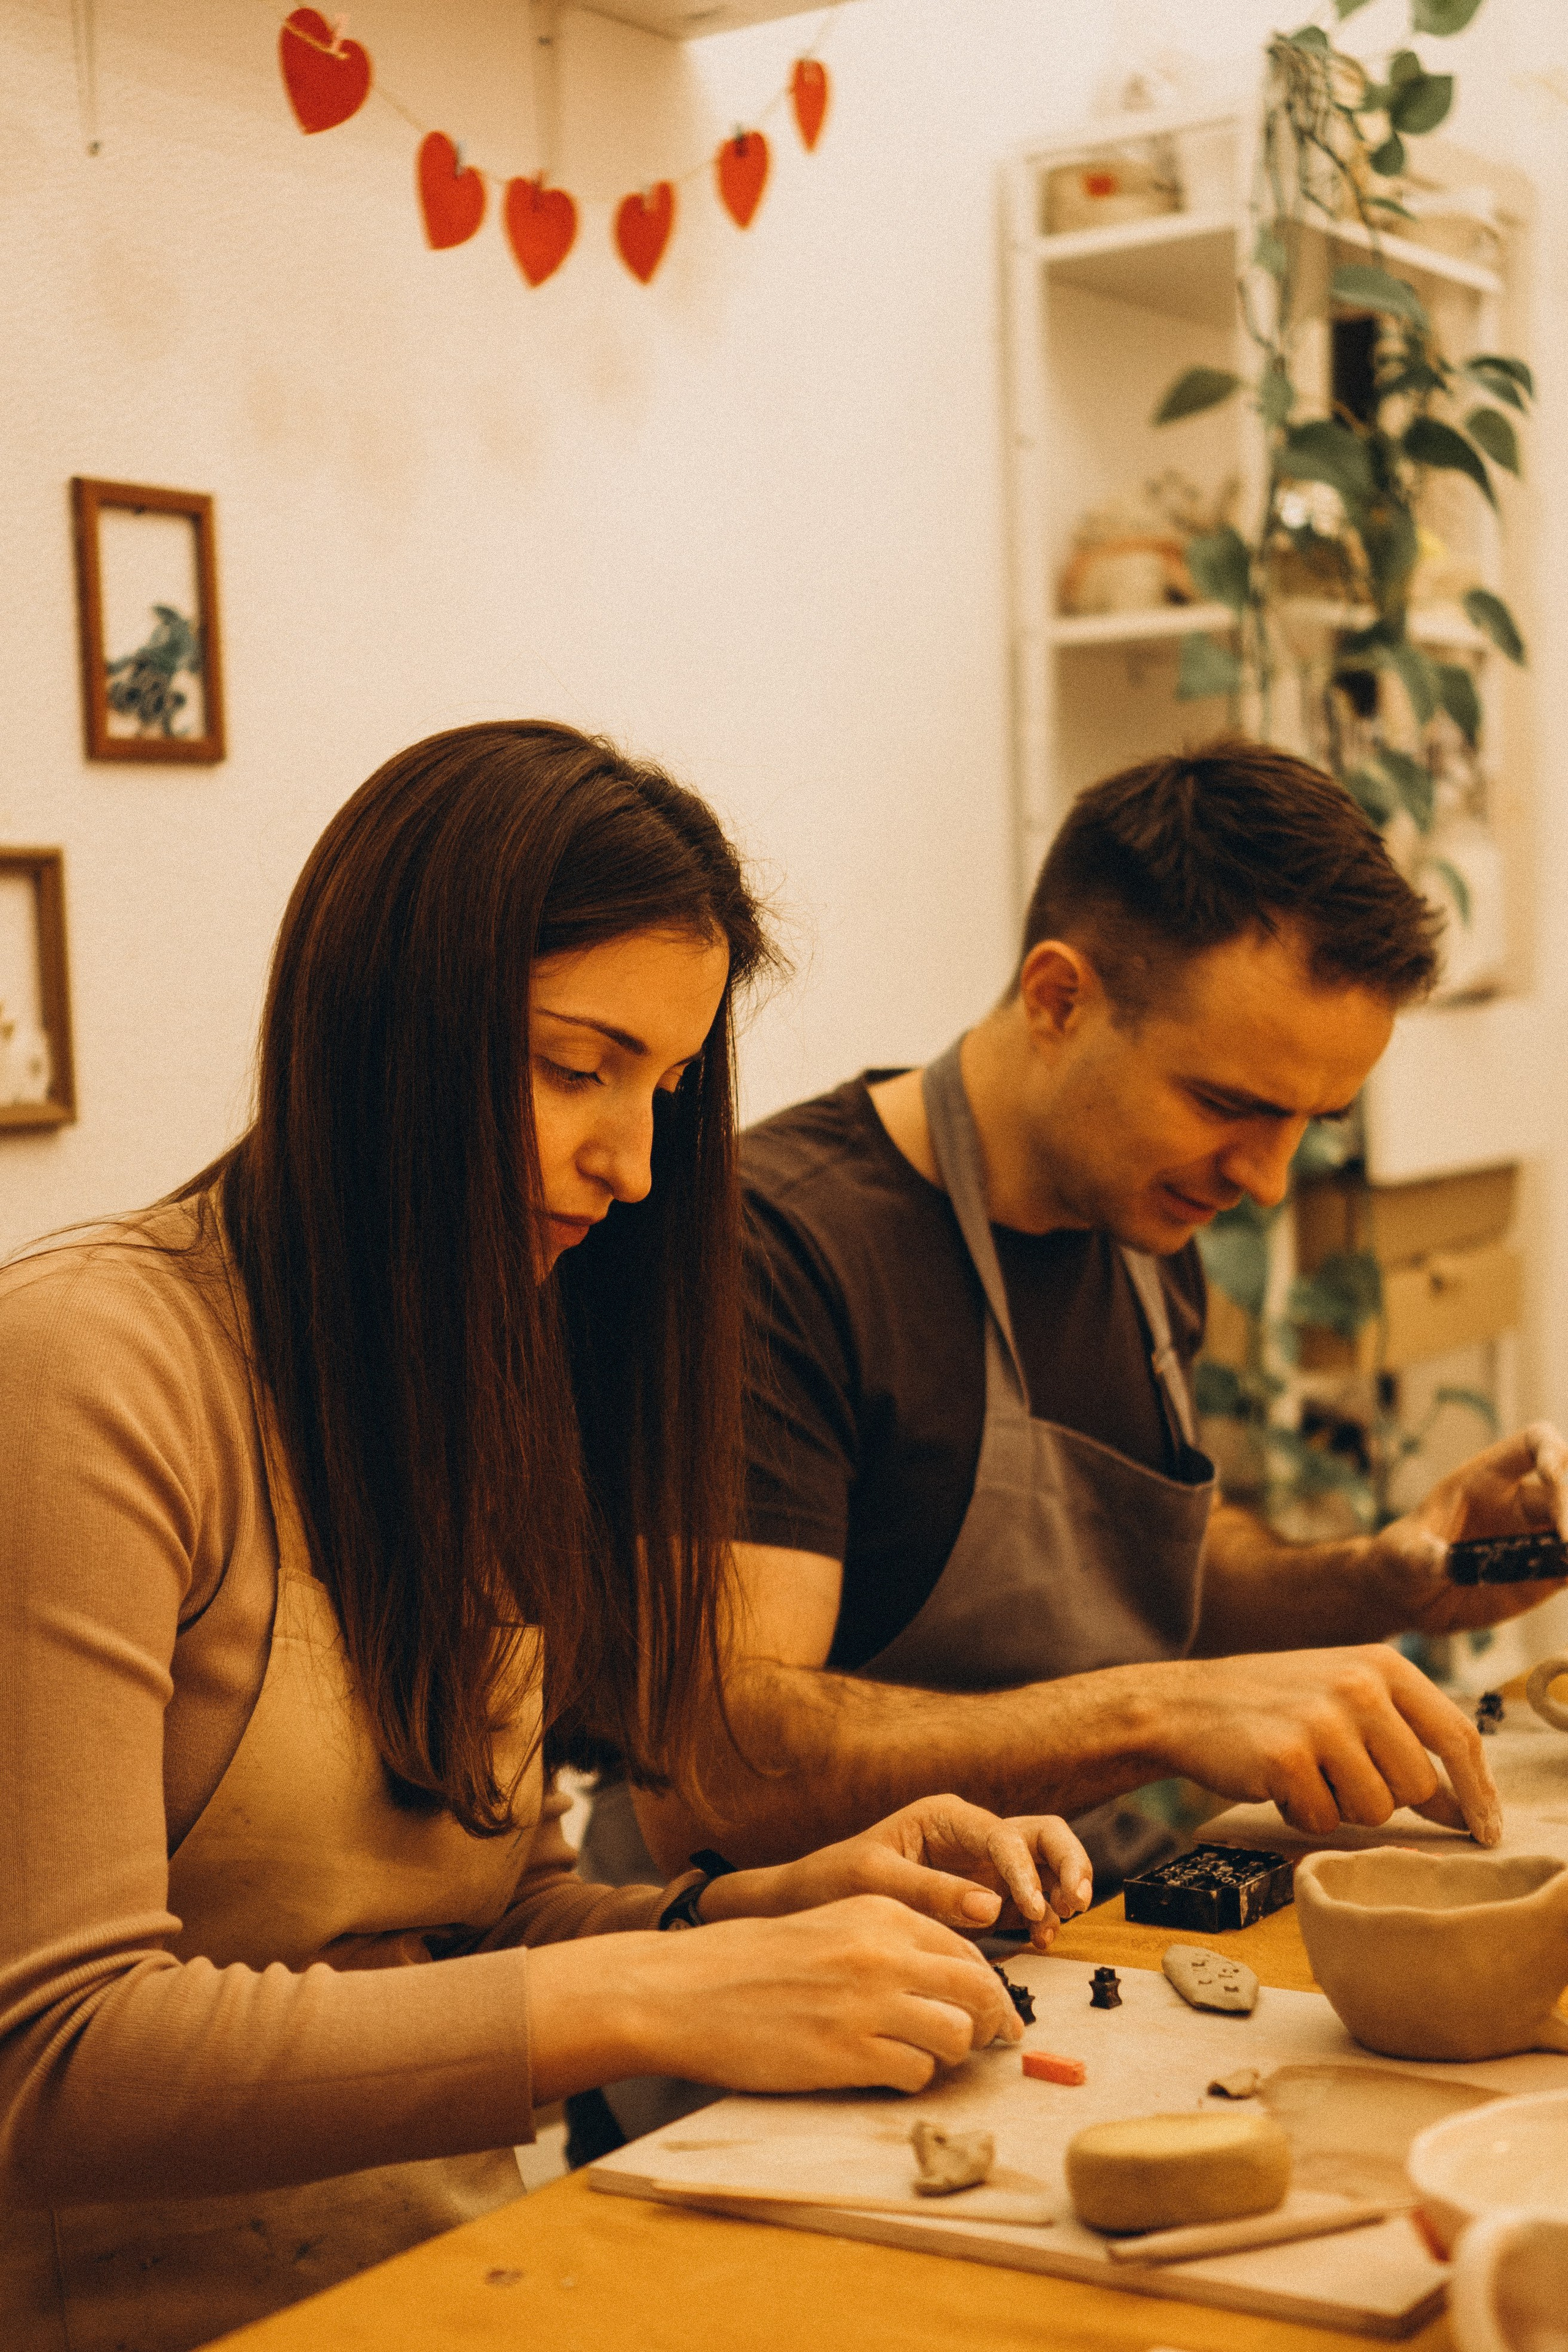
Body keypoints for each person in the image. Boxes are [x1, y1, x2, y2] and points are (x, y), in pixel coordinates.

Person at [0, 722, 1094, 2352]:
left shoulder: (491, 1361)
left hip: (470, 2279)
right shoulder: (88, 1368)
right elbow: (59, 2061)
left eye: (661, 1088)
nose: (634, 1164)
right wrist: (649, 1996)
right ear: (385, 1036)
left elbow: (491, 1916)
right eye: (578, 1068)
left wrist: (754, 1916)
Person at [570, 744, 1568, 2148]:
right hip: (767, 2058)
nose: (1266, 1177)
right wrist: (1157, 1713)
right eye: (1228, 1104)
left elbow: (1146, 1557)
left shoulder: (1142, 1224)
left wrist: (1384, 1577)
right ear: (1057, 998)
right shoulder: (773, 1256)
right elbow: (715, 1770)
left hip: (1045, 1966)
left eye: (1308, 1123)